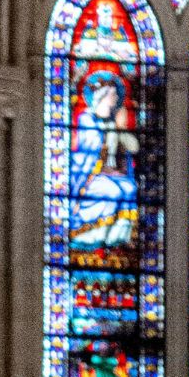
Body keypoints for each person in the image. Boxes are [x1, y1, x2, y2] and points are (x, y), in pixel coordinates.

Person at [68, 64, 140, 260]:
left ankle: (118, 239)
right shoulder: (87, 119)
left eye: (117, 95)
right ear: (102, 95)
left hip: (109, 173)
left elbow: (134, 148)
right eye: (113, 95)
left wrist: (120, 128)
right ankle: (90, 238)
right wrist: (106, 169)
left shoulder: (112, 122)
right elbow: (90, 151)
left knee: (130, 187)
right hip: (89, 176)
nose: (116, 98)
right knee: (115, 190)